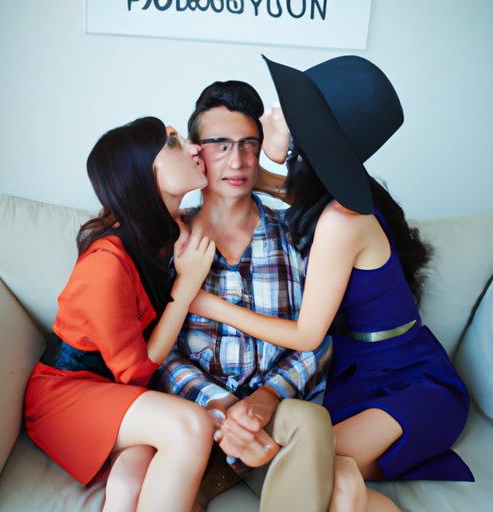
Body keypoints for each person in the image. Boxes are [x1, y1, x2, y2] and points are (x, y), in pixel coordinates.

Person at [190, 56, 474, 511]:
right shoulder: (328, 196)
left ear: (308, 135)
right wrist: (237, 172)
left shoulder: (342, 222)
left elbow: (307, 335)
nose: (270, 116)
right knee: (323, 473)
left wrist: (205, 303)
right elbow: (289, 190)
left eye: (283, 112)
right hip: (355, 375)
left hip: (409, 384)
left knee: (317, 469)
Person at [154, 80, 335, 511]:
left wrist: (264, 399)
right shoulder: (168, 238)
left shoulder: (299, 233)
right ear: (195, 152)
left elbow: (320, 334)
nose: (237, 161)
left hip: (272, 413)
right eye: (220, 145)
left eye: (248, 145)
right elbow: (157, 346)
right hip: (193, 414)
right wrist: (219, 404)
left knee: (311, 421)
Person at [24, 116, 217, 512]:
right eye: (173, 142)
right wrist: (186, 286)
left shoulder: (167, 233)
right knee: (192, 425)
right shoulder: (106, 262)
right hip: (65, 397)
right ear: (143, 172)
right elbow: (135, 371)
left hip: (120, 396)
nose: (194, 147)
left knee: (132, 481)